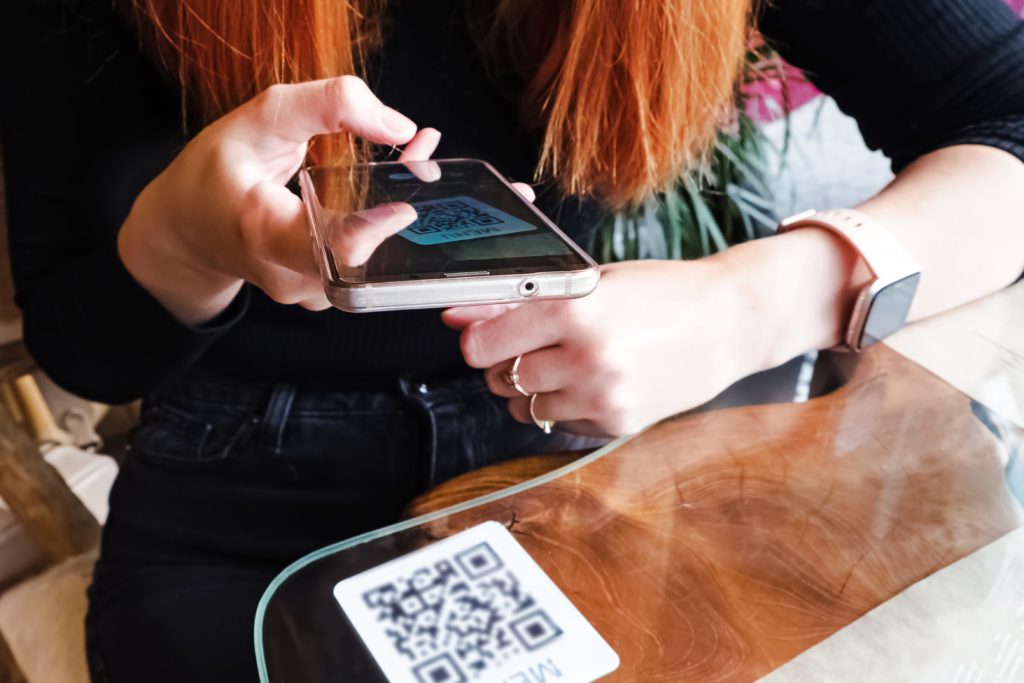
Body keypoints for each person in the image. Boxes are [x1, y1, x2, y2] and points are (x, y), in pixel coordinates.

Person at [2, 0, 1023, 680]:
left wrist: (751, 302)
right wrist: (182, 237)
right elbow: (84, 350)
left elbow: (1004, 106)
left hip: (600, 443)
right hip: (241, 491)